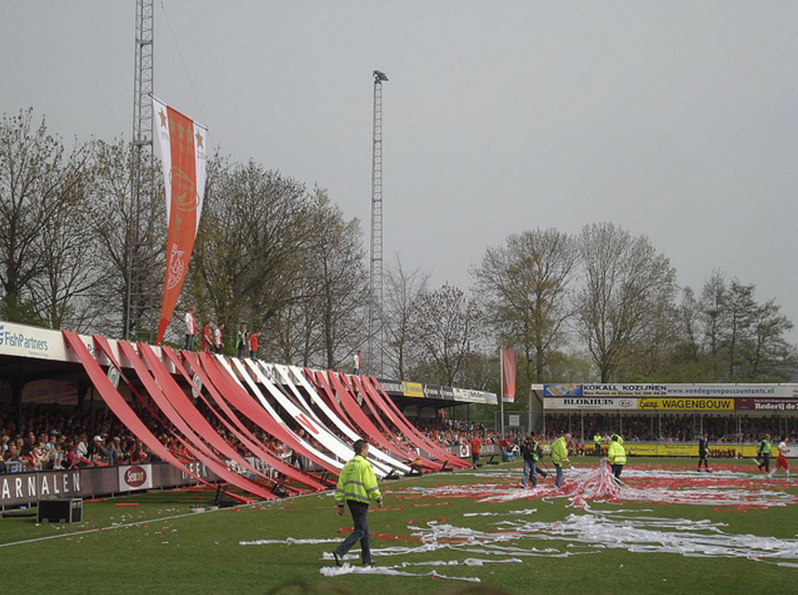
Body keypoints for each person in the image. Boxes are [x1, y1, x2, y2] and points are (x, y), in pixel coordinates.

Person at [332, 439, 383, 567]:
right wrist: (378, 497)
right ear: (363, 450)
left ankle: (367, 558)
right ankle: (340, 551)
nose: (368, 452)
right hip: (361, 500)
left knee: (364, 531)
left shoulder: (348, 465)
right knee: (360, 531)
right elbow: (370, 484)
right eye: (367, 449)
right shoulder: (365, 465)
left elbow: (341, 485)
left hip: (350, 500)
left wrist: (340, 504)